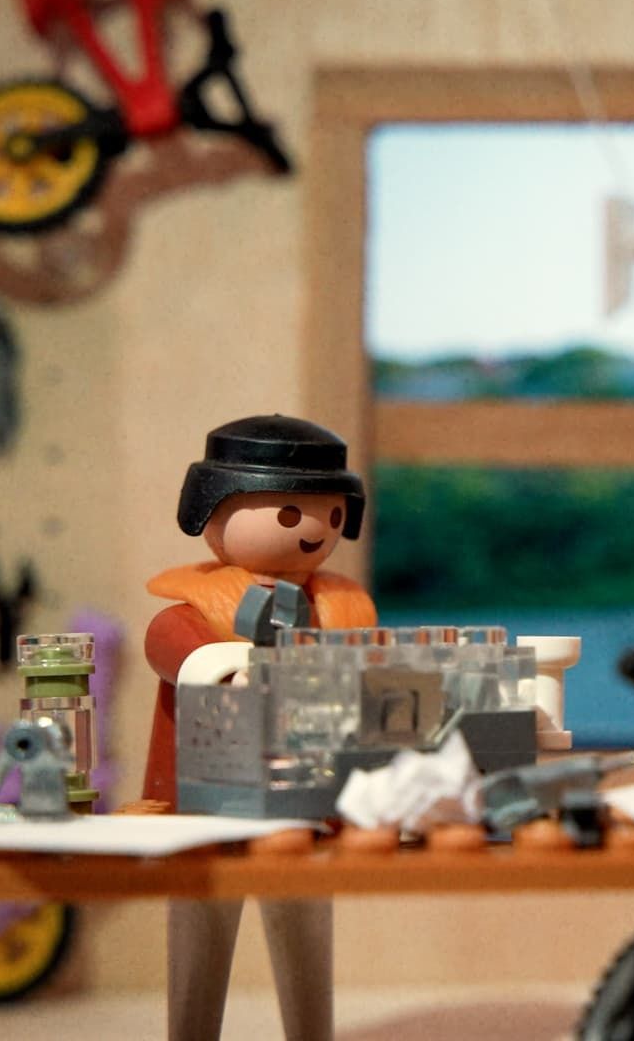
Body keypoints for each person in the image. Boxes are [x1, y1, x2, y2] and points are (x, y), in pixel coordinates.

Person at [143, 413, 376, 1041]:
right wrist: (228, 668)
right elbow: (171, 646)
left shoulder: (336, 607)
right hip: (206, 800)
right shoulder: (196, 609)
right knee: (203, 929)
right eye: (289, 514)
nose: (315, 530)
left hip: (306, 800)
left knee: (305, 929)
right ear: (212, 506)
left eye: (331, 515)